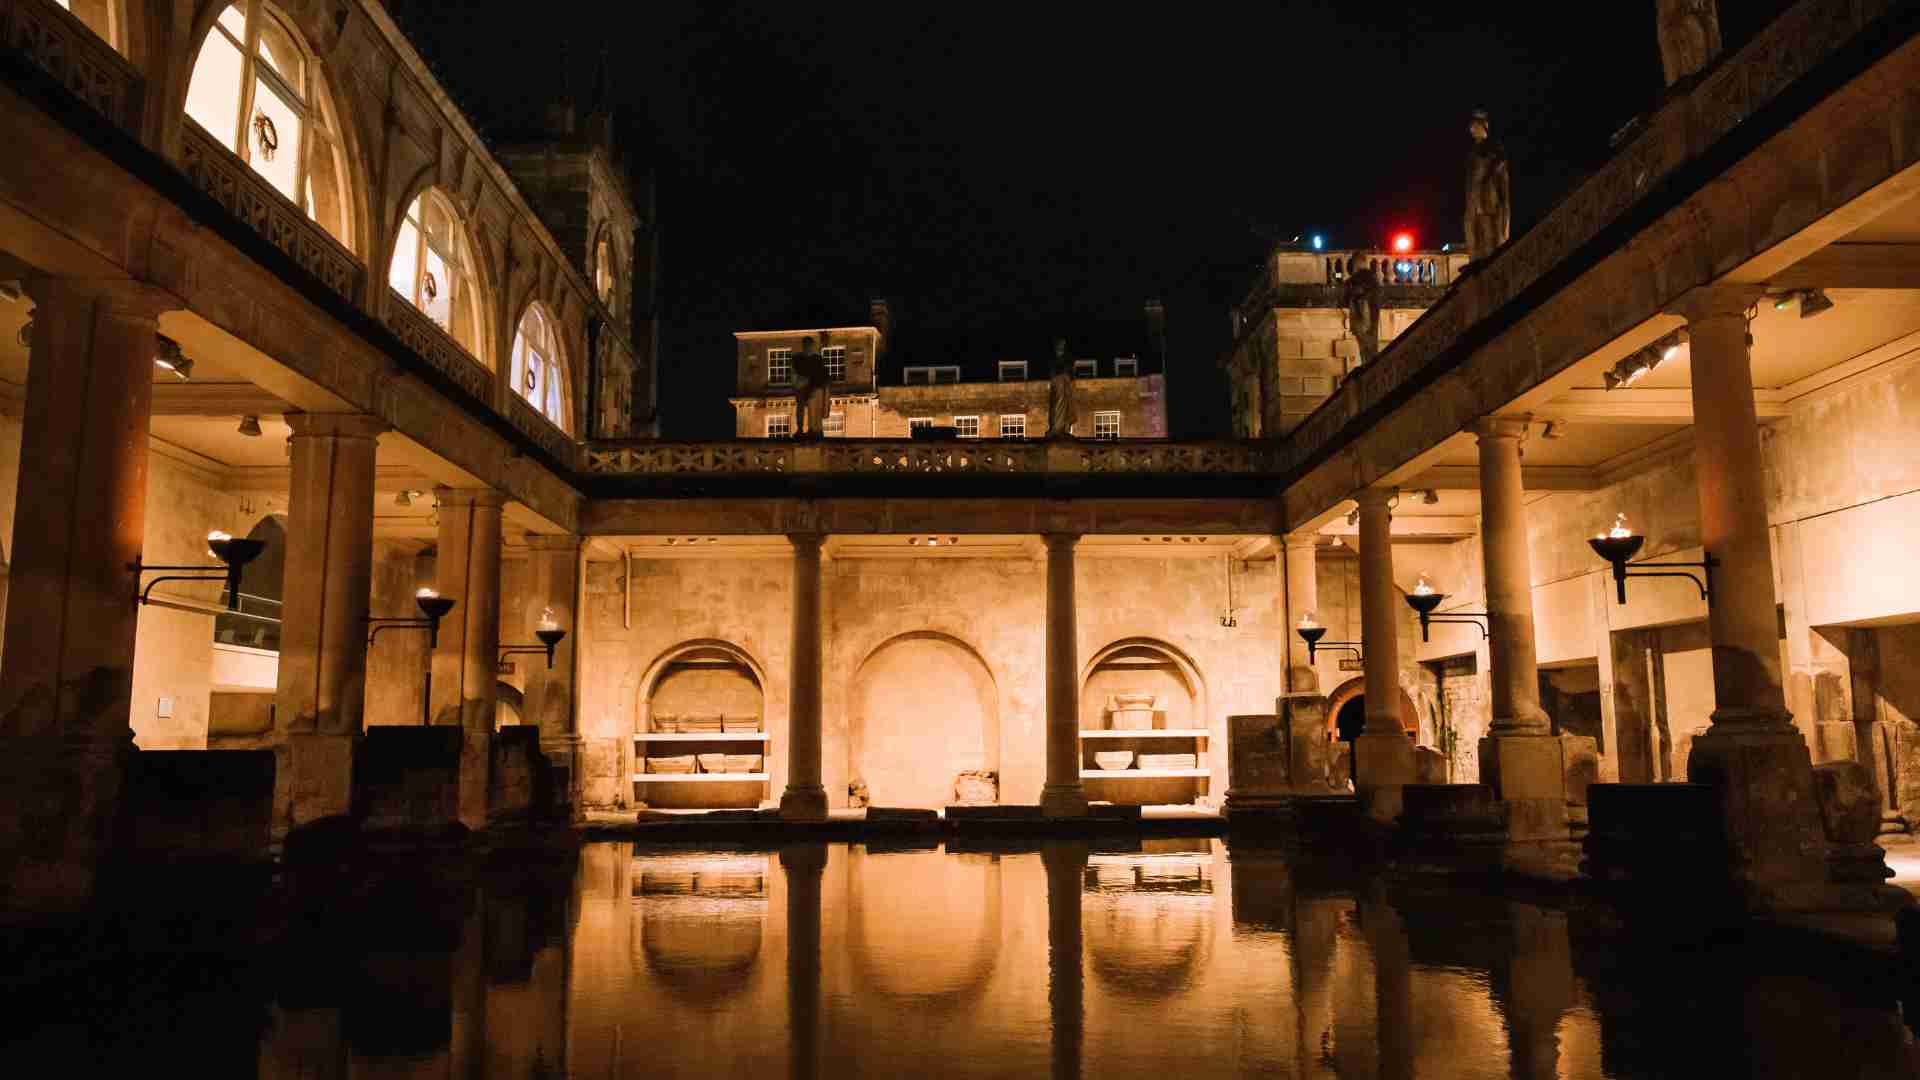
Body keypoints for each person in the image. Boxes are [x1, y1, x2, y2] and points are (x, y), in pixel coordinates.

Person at [1464, 109, 1511, 260]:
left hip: (1487, 197)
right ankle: (1476, 258)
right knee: (1472, 228)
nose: (1472, 130)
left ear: (1484, 127)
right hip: (1474, 197)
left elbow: (1500, 168)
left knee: (1488, 230)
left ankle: (1490, 258)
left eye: (1475, 127)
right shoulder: (1472, 151)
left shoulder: (1493, 147)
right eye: (1472, 128)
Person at [790, 334, 830, 439]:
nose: (808, 347)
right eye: (806, 345)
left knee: (814, 403)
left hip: (814, 387)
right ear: (803, 346)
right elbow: (793, 375)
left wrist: (819, 385)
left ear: (812, 346)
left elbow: (823, 375)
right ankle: (800, 429)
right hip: (802, 387)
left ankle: (814, 429)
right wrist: (800, 382)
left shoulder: (818, 359)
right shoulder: (797, 358)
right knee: (801, 407)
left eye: (809, 345)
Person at [1047, 338, 1078, 438]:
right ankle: (1056, 428)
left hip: (1066, 386)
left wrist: (1068, 373)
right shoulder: (1052, 359)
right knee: (1057, 404)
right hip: (1058, 385)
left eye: (1062, 346)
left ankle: (1064, 428)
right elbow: (1052, 374)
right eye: (1059, 346)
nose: (1060, 348)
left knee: (1067, 405)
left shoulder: (1068, 359)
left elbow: (1072, 372)